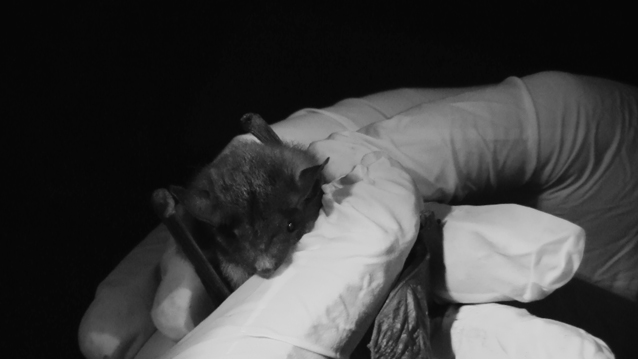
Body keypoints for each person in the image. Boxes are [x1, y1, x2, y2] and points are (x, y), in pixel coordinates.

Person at [79, 71, 638, 359]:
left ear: (309, 193)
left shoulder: (349, 193)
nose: (271, 259)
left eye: (290, 228)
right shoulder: (229, 232)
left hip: (404, 291)